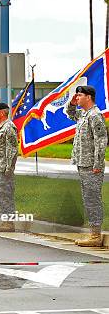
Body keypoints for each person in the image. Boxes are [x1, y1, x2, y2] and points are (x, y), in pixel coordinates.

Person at [66, 85, 107, 247]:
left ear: (88, 97)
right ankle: (93, 233)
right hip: (83, 163)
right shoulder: (84, 115)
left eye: (80, 95)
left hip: (91, 165)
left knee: (92, 199)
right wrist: (71, 102)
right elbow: (69, 114)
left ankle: (95, 236)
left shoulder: (95, 116)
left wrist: (97, 164)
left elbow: (101, 141)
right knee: (88, 198)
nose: (77, 98)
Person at [0, 102, 18, 232]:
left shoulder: (9, 127)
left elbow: (12, 149)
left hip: (4, 168)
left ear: (2, 113)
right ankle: (5, 220)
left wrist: (9, 168)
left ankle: (9, 223)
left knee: (5, 194)